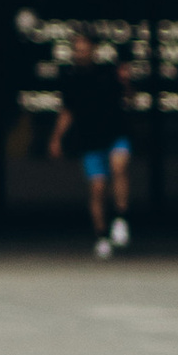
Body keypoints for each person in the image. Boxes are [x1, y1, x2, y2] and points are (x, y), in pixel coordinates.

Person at [50, 25, 133, 260]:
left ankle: (121, 219)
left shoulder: (108, 72)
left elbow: (129, 98)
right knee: (97, 189)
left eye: (84, 48)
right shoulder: (70, 77)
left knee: (119, 166)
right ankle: (101, 236)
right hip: (89, 139)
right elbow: (67, 111)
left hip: (115, 132)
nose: (80, 53)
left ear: (94, 50)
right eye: (76, 49)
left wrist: (126, 82)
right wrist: (56, 138)